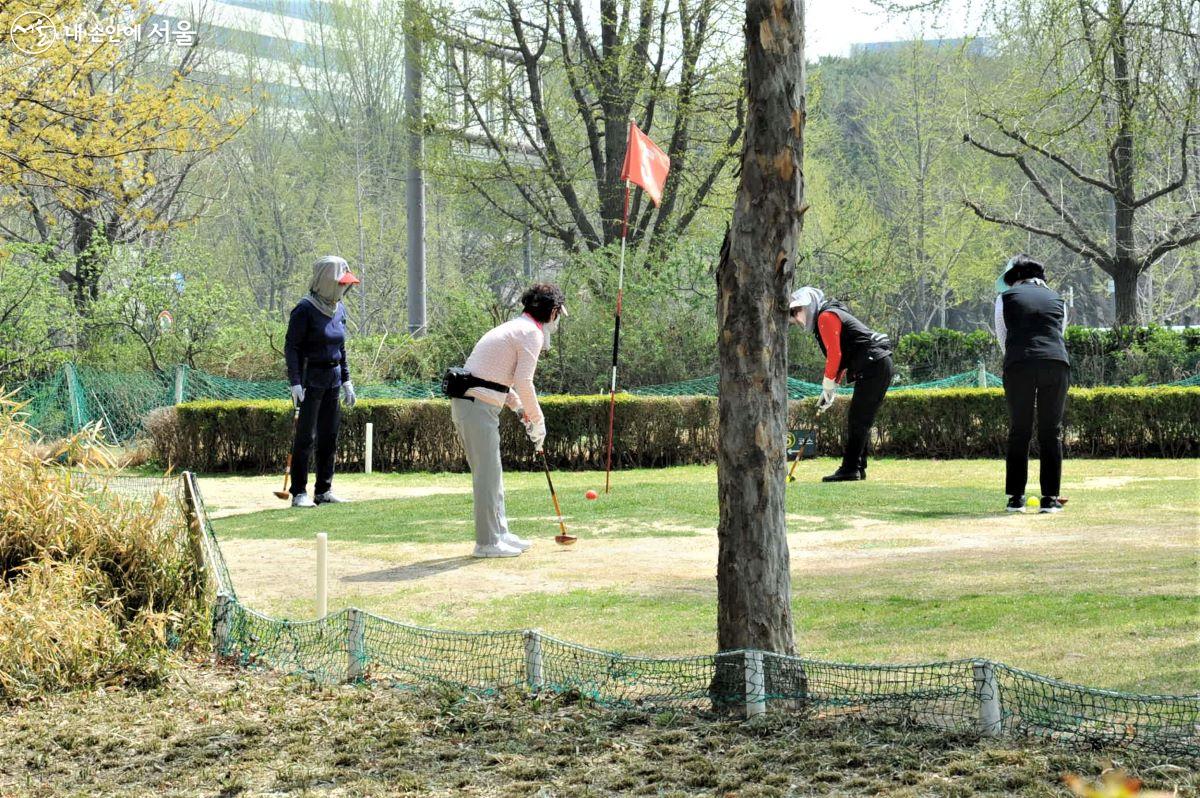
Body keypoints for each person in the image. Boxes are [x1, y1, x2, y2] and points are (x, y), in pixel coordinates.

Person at [445, 283, 567, 558]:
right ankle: (487, 543)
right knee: (487, 476)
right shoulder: (530, 333)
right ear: (553, 312)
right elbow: (524, 381)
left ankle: (499, 533)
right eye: (558, 314)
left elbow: (499, 380)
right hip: (475, 406)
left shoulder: (518, 328)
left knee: (493, 473)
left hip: (478, 405)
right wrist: (538, 420)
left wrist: (521, 410)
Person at [789, 286, 893, 482]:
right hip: (875, 365)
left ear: (808, 305)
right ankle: (858, 467)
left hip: (874, 365)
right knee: (860, 419)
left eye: (796, 311)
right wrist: (830, 390)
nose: (795, 319)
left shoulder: (826, 317)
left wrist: (827, 385)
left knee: (858, 420)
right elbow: (842, 359)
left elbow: (835, 355)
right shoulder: (827, 315)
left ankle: (850, 469)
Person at [994, 254, 1069, 514]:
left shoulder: (1005, 298)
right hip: (1056, 363)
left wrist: (1019, 356)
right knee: (1051, 431)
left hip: (1020, 364)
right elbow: (1060, 333)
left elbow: (1002, 337)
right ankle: (1050, 498)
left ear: (1015, 278)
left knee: (1020, 430)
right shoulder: (1058, 298)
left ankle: (1016, 497)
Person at [284, 255, 360, 508]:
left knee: (329, 436)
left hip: (333, 379)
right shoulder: (304, 309)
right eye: (341, 284)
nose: (344, 289)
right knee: (306, 437)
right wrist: (295, 382)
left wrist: (347, 380)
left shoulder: (339, 309)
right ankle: (299, 493)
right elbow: (292, 347)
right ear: (328, 282)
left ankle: (323, 490)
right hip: (309, 380)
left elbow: (341, 347)